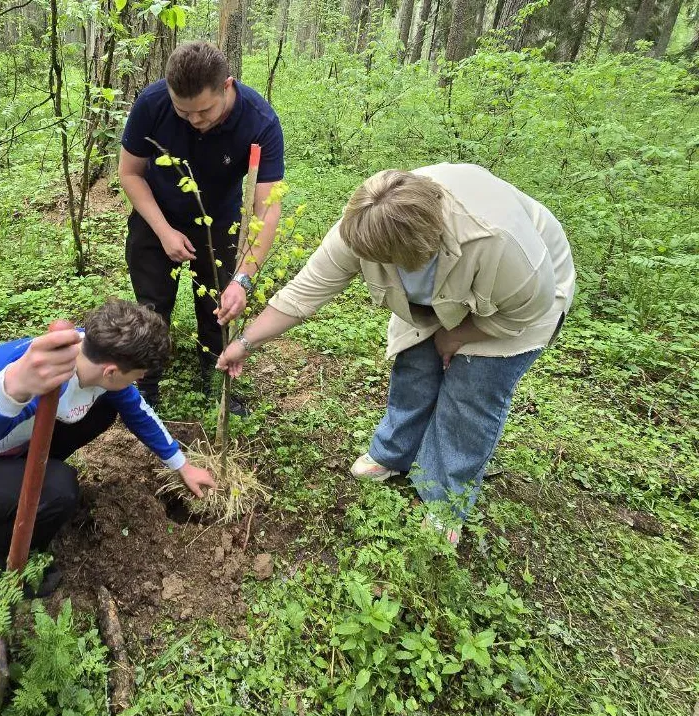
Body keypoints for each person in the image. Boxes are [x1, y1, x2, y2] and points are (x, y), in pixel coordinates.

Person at [217, 163, 575, 544]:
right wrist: (245, 343)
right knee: (415, 366)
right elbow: (304, 293)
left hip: (513, 307)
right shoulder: (367, 223)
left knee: (470, 395)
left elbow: (528, 311)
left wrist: (458, 337)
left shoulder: (498, 242)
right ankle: (393, 454)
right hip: (439, 298)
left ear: (414, 252)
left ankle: (444, 502)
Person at [0, 299, 215, 595]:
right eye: (135, 377)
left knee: (104, 407)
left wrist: (182, 466)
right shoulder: (41, 383)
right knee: (60, 488)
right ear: (112, 371)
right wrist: (12, 389)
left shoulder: (88, 352)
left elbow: (136, 410)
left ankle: (13, 490)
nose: (135, 383)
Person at [118, 40, 285, 412]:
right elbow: (130, 173)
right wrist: (164, 232)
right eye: (184, 111)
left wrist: (243, 278)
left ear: (227, 85)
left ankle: (214, 373)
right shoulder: (152, 103)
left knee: (217, 304)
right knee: (151, 305)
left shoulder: (260, 121)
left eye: (204, 111)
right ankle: (144, 385)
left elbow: (267, 208)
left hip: (219, 223)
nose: (194, 120)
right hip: (156, 216)